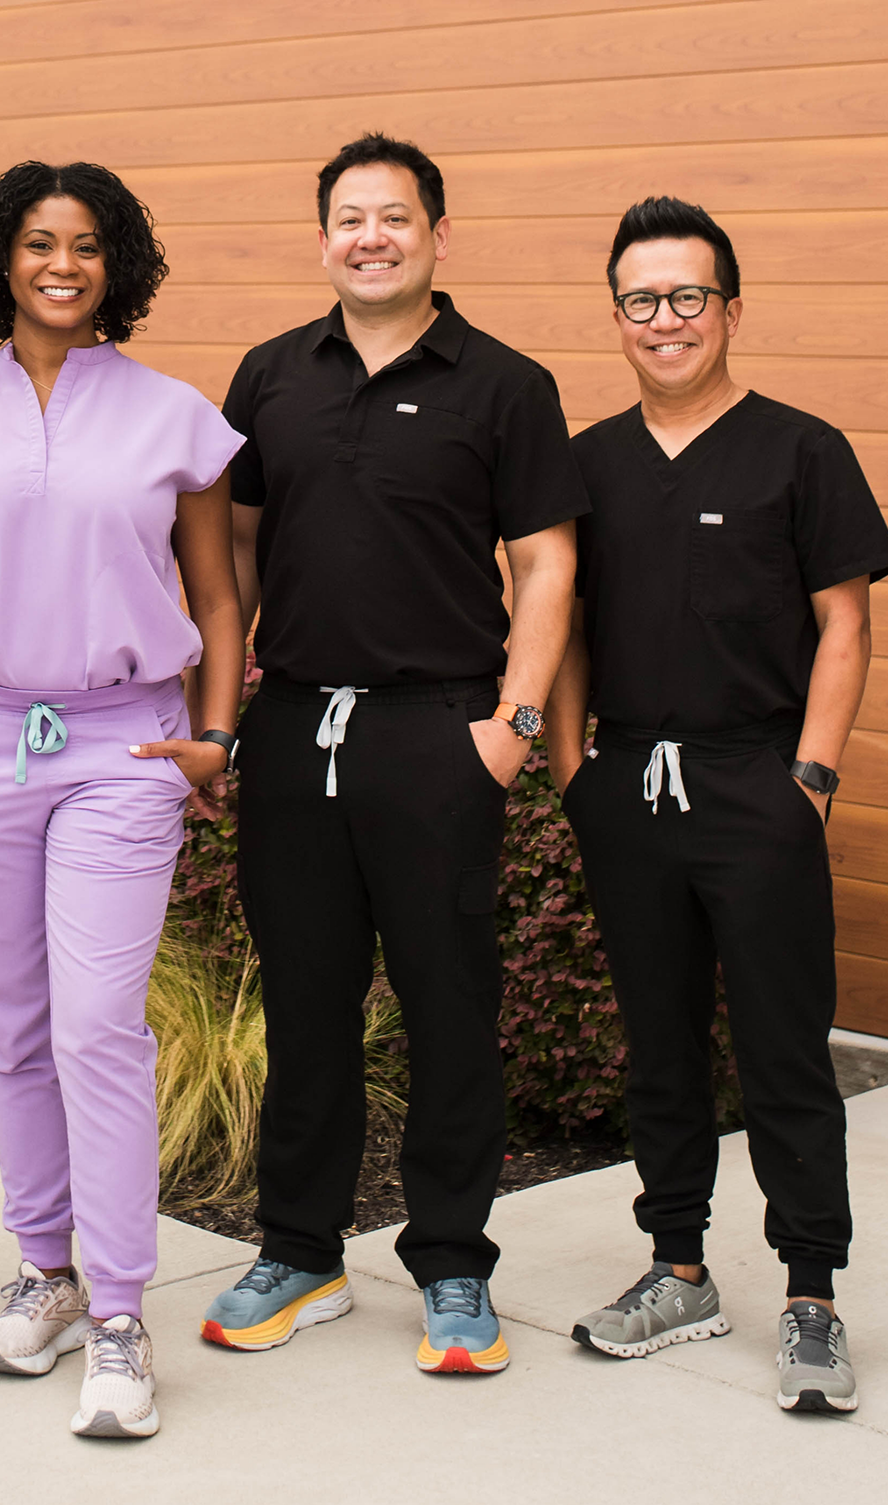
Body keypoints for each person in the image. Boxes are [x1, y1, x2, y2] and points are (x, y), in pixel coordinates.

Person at [200, 133, 588, 1373]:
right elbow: (232, 558)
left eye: (394, 217)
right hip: (295, 723)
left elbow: (544, 565)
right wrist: (226, 704)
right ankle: (300, 1249)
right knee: (305, 1002)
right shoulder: (267, 376)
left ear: (436, 234)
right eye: (348, 218)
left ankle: (453, 1265)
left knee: (447, 1005)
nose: (370, 236)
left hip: (439, 729)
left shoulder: (505, 384)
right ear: (322, 238)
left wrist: (509, 729)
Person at [0, 160, 245, 1439]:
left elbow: (216, 598)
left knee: (98, 1024)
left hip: (119, 749)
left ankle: (121, 1313)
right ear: (1, 259)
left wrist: (213, 734)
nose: (62, 264)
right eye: (37, 242)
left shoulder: (171, 415)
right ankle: (42, 1270)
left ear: (116, 265)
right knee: (14, 1024)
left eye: (87, 245)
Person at [547, 197, 888, 1414]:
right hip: (626, 788)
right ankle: (677, 1266)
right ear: (615, 317)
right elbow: (568, 625)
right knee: (658, 1043)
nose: (665, 319)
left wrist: (806, 778)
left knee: (781, 1049)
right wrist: (568, 768)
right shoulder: (584, 462)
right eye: (641, 299)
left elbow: (843, 623)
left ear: (730, 309)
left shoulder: (801, 449)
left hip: (756, 784)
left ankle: (810, 1295)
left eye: (687, 295)